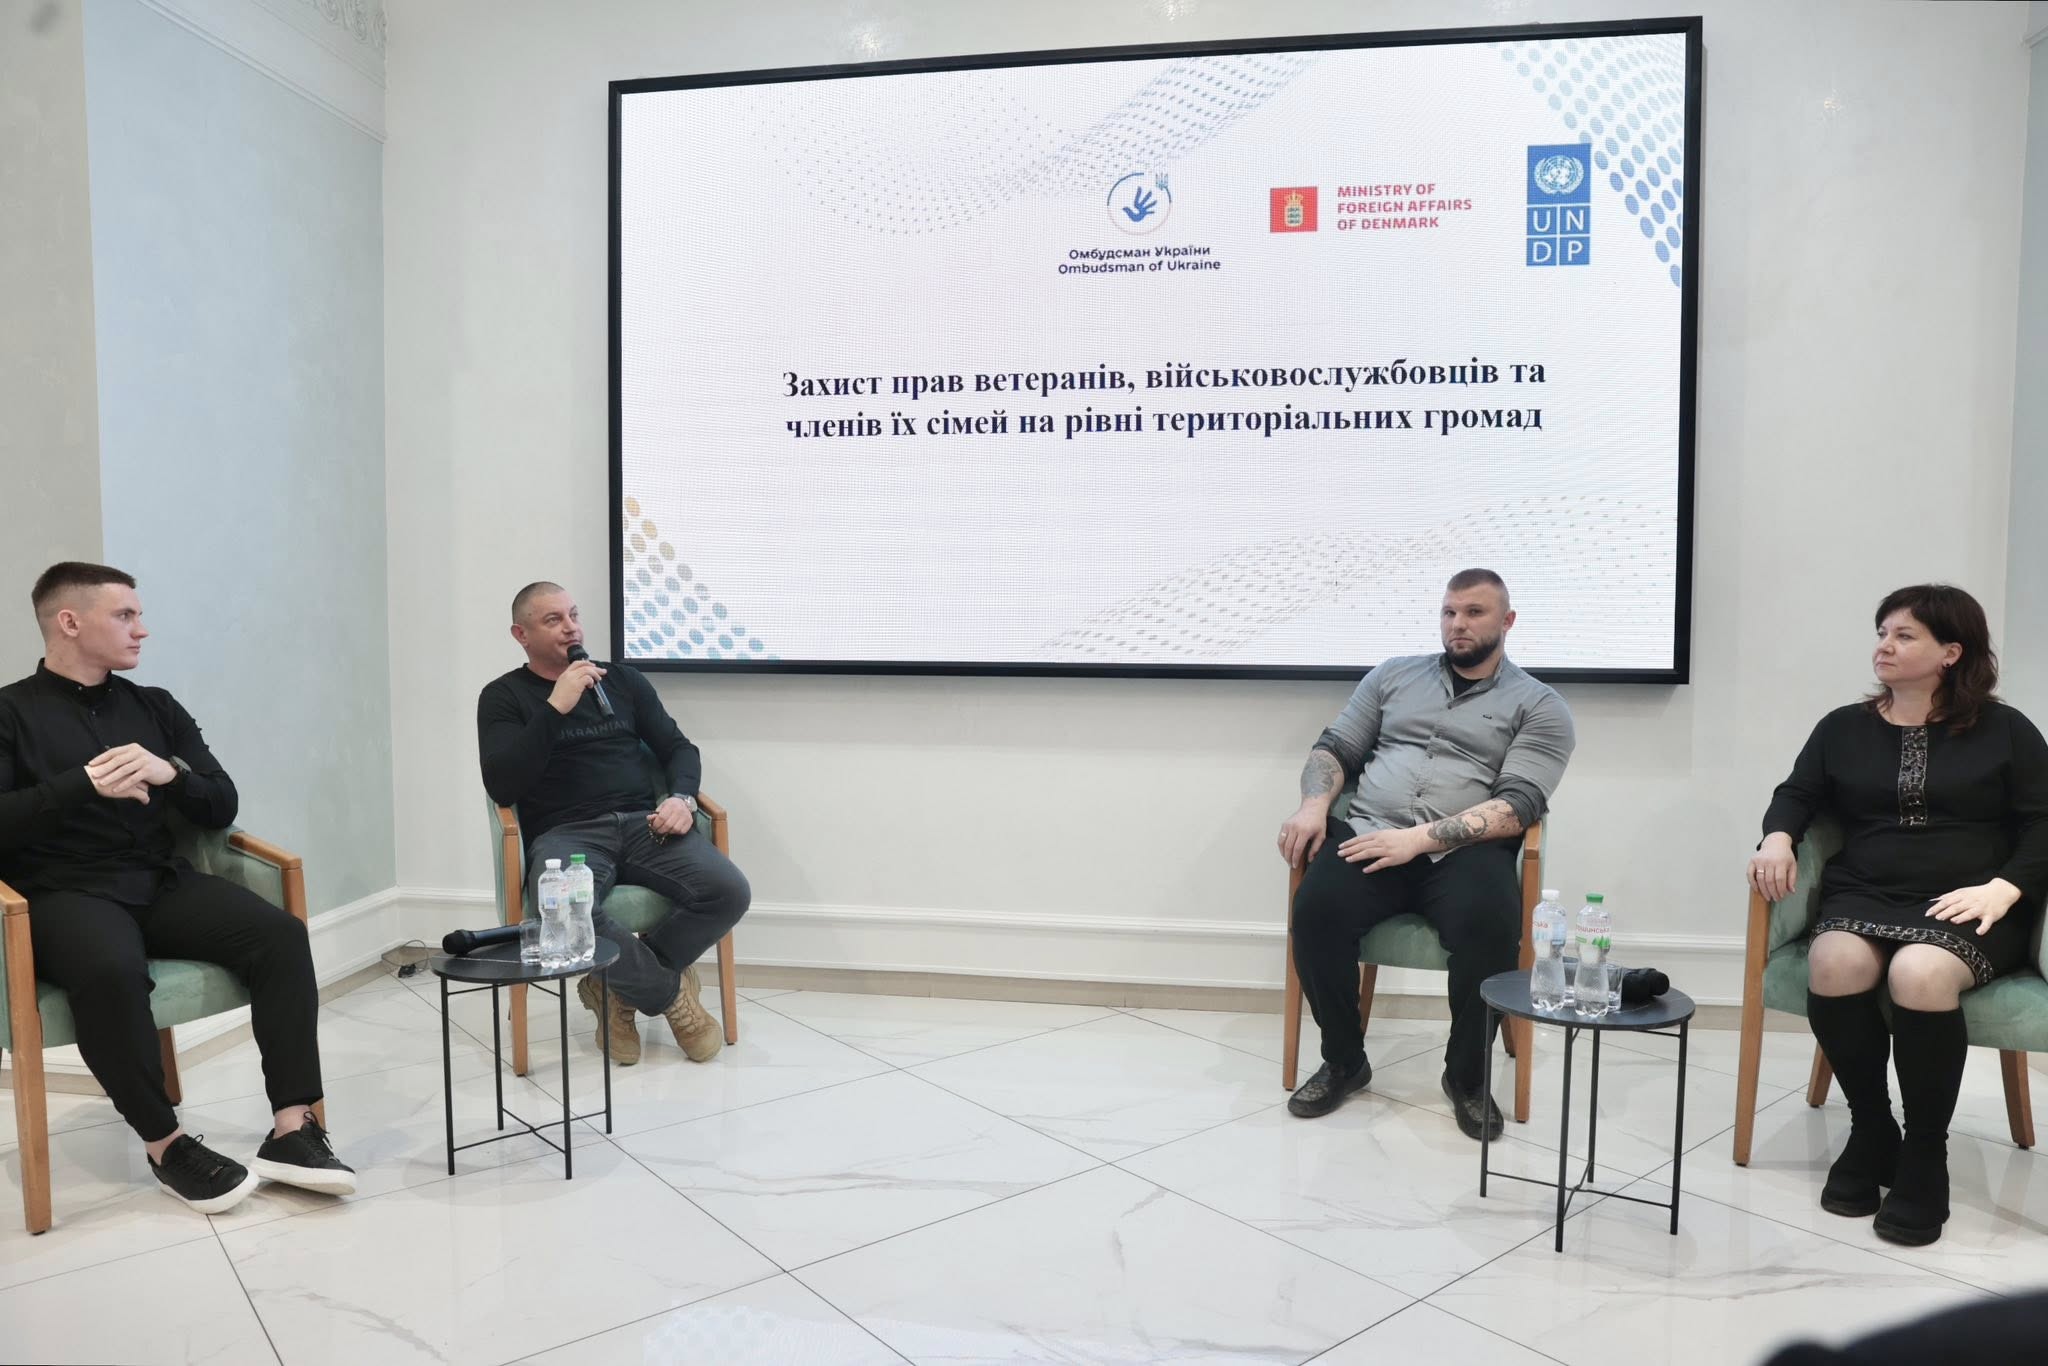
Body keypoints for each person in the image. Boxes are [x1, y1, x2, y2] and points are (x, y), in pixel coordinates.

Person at [0, 563, 354, 1213]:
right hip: (62, 892)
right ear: (69, 622)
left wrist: (171, 774)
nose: (142, 630)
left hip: (157, 881)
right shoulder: (8, 712)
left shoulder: (155, 706)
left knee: (279, 935)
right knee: (110, 970)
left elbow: (220, 804)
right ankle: (165, 1144)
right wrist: (83, 784)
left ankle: (291, 1130)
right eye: (125, 616)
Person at [1751, 583, 2048, 1248]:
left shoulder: (2006, 730)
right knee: (1833, 961)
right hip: (1866, 888)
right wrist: (1777, 837)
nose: (1884, 646)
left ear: (1951, 652)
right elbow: (1797, 793)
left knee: (1919, 972)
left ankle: (1924, 1152)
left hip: (1971, 899)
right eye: (1883, 632)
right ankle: (1871, 1127)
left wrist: (2005, 889)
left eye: (1904, 635)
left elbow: (2044, 821)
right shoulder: (1842, 727)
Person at [1279, 569, 1576, 1139]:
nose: (1458, 624)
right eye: (1449, 612)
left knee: (1491, 926)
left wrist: (1417, 839)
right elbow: (1336, 748)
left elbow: (1517, 806)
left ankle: (1466, 1077)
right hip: (1371, 833)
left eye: (1474, 612)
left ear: (1507, 621)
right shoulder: (1392, 676)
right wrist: (1314, 805)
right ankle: (1344, 1061)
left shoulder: (1540, 706)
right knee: (1315, 912)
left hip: (1465, 852)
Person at [477, 581, 749, 1066]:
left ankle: (614, 989)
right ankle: (671, 996)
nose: (571, 628)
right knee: (566, 911)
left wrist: (682, 799)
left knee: (729, 890)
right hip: (567, 833)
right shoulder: (503, 697)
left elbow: (678, 748)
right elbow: (502, 783)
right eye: (553, 620)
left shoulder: (622, 681)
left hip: (645, 825)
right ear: (521, 634)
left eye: (573, 615)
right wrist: (555, 707)